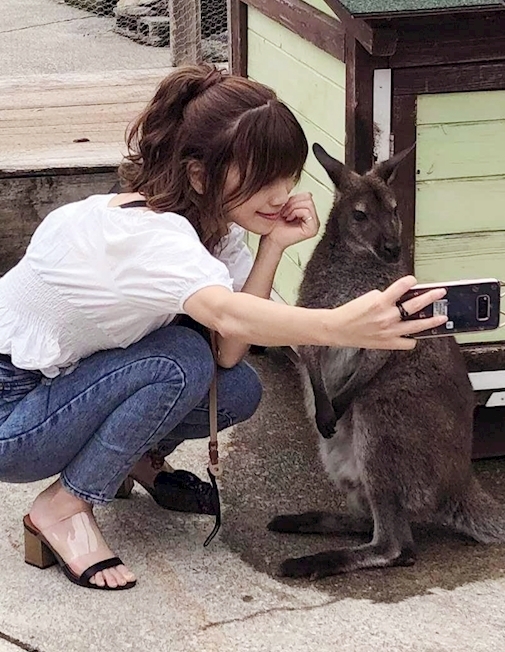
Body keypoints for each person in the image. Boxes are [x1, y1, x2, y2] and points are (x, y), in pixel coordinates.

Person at [0, 64, 446, 591]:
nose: (283, 194)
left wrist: (273, 245)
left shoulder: (213, 233)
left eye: (290, 176)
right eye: (265, 178)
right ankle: (64, 505)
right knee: (180, 359)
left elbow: (231, 352)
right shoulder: (139, 234)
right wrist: (339, 325)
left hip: (67, 390)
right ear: (197, 175)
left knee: (235, 388)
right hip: (13, 415)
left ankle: (133, 459)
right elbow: (227, 316)